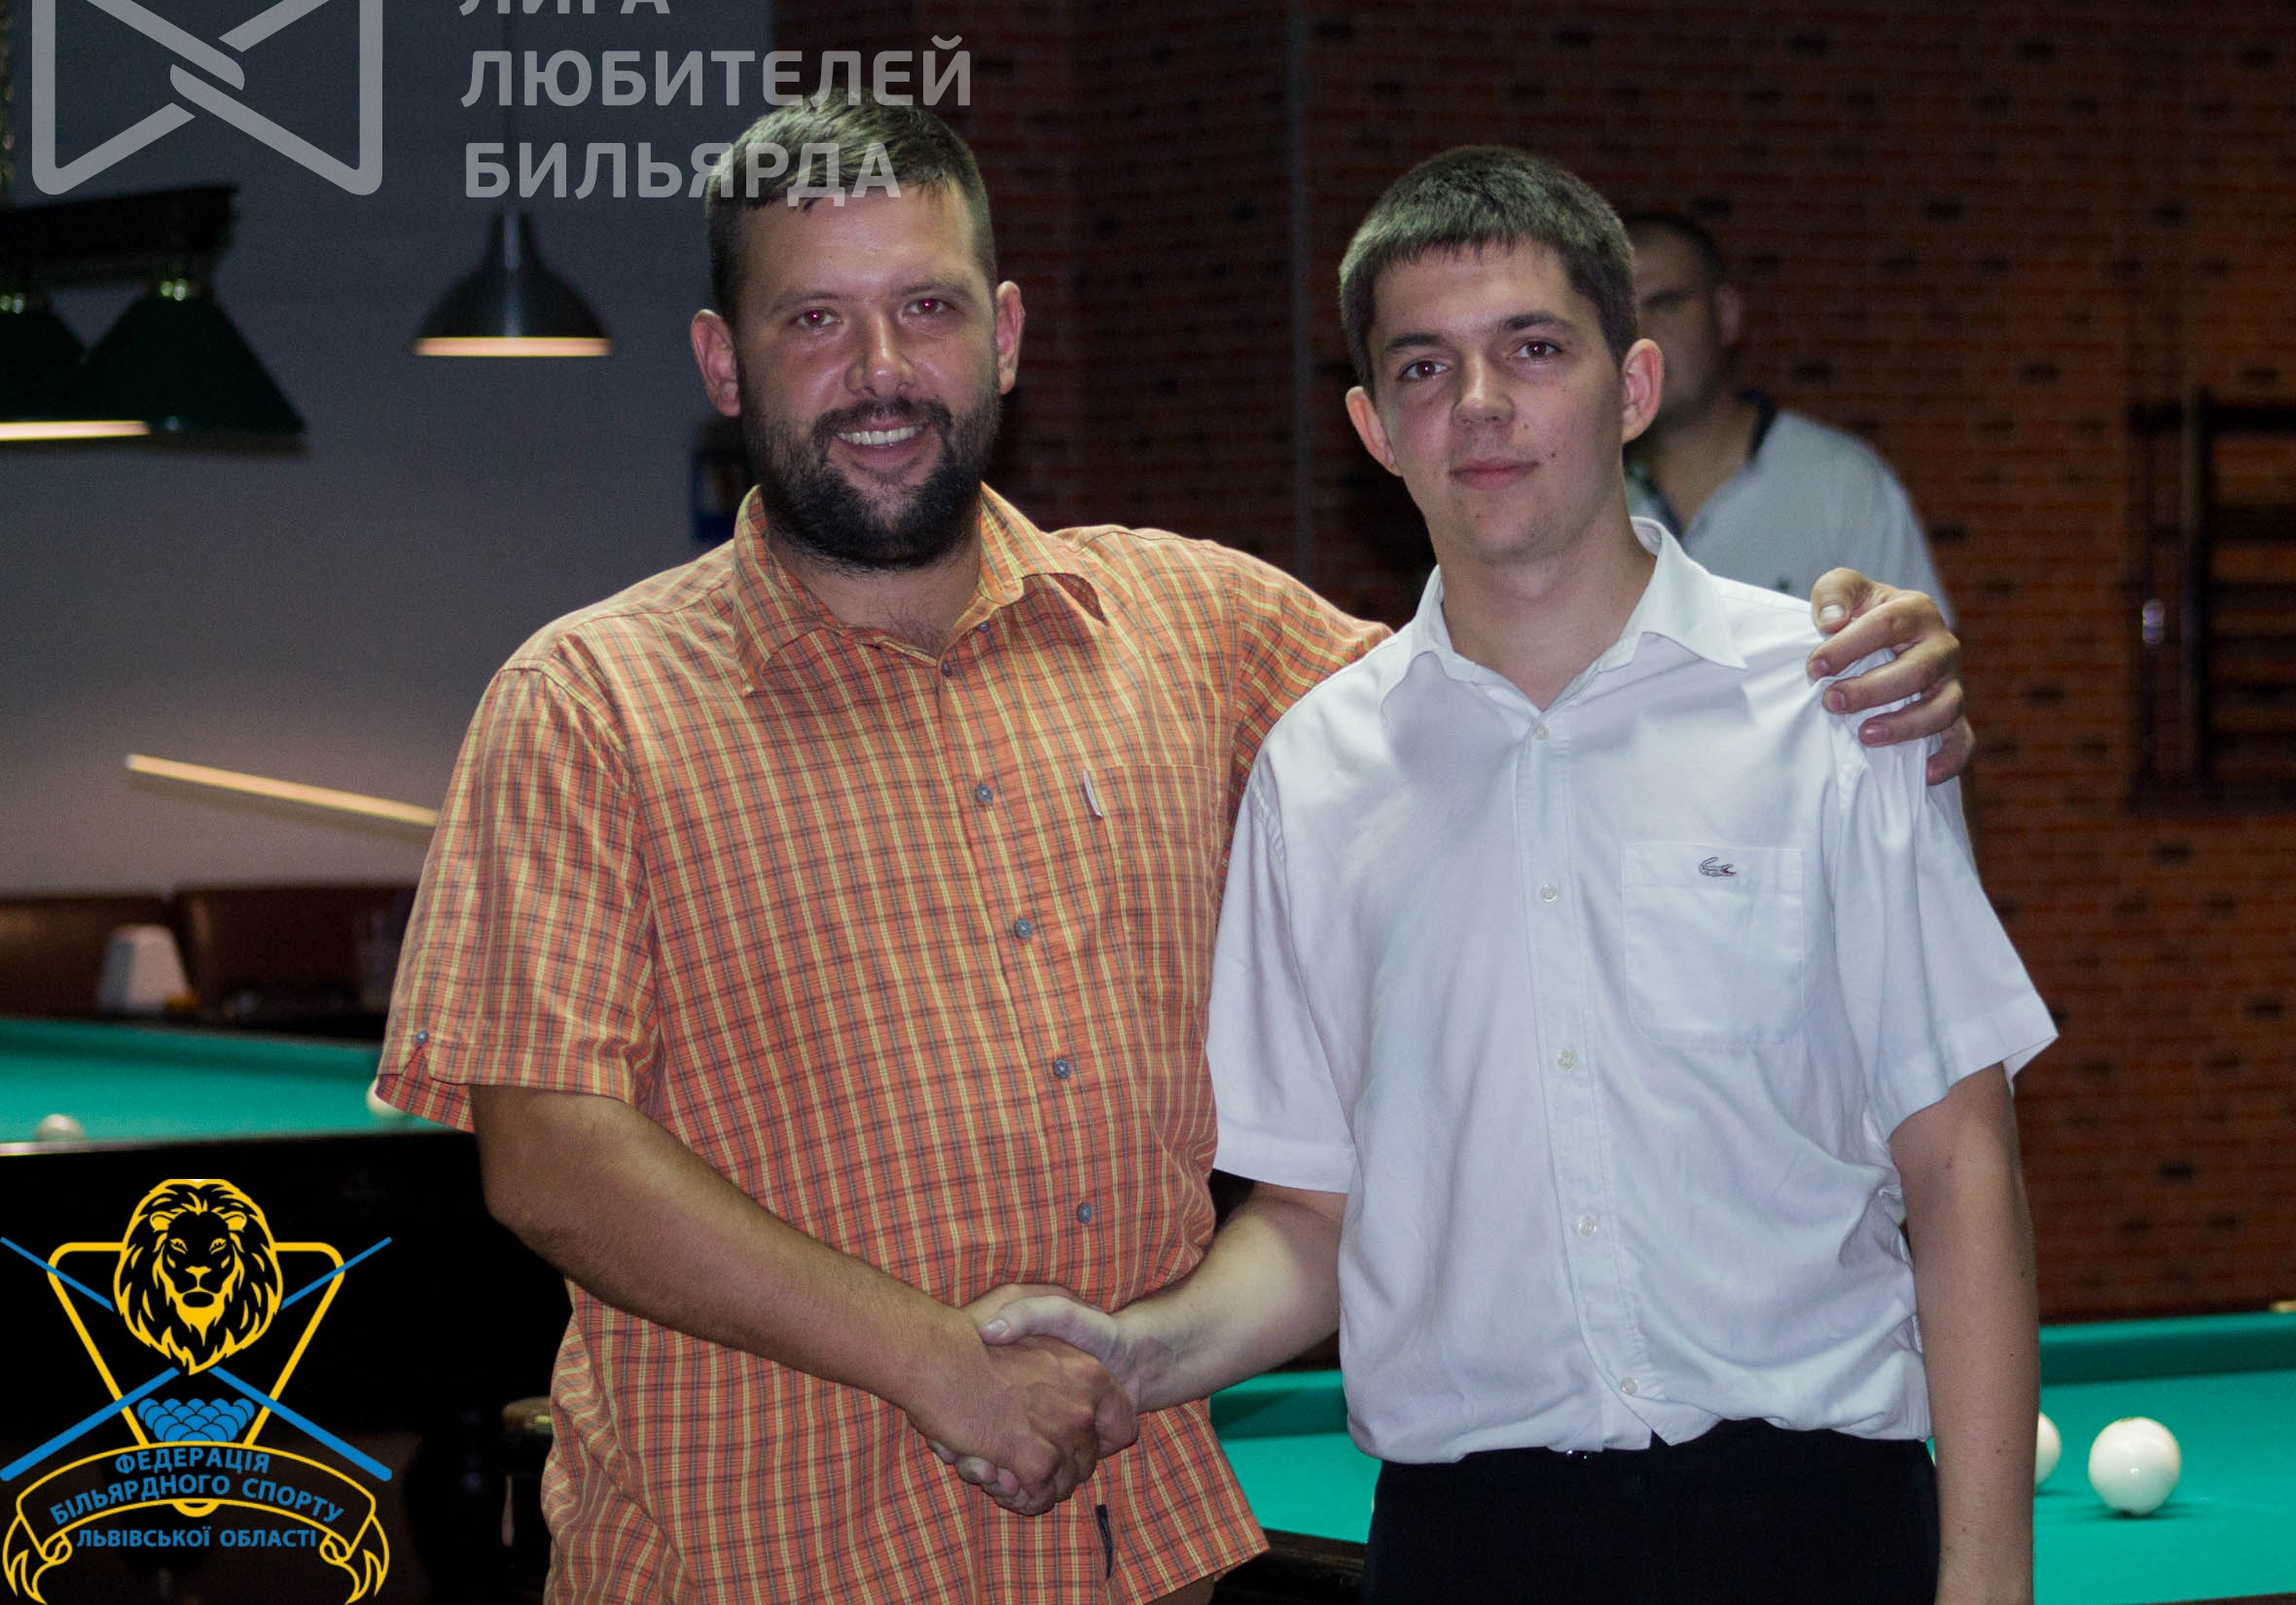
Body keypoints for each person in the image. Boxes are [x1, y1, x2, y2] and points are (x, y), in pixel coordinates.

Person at [375, 96, 1975, 1604]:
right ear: (724, 361)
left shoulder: (1192, 626)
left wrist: (1829, 653)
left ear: (1004, 332)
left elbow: (1538, 708)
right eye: (816, 320)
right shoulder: (588, 700)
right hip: (759, 1561)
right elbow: (550, 1153)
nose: (881, 370)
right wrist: (933, 1359)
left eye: (927, 308)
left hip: (1128, 1562)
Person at [973, 148, 2050, 1605]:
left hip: (1819, 1521)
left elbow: (1961, 1163)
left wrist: (1986, 1587)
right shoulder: (1318, 770)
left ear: (1635, 385)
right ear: (1374, 427)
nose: (1478, 403)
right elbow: (1311, 1215)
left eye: (1533, 349)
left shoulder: (1831, 705)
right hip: (1467, 1546)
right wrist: (1144, 1351)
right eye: (1424, 366)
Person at [1624, 211, 1952, 616]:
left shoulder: (1840, 480)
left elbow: (1915, 645)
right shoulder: (1580, 488)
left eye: (1667, 304)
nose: (1641, 334)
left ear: (1725, 314)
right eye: (1621, 314)